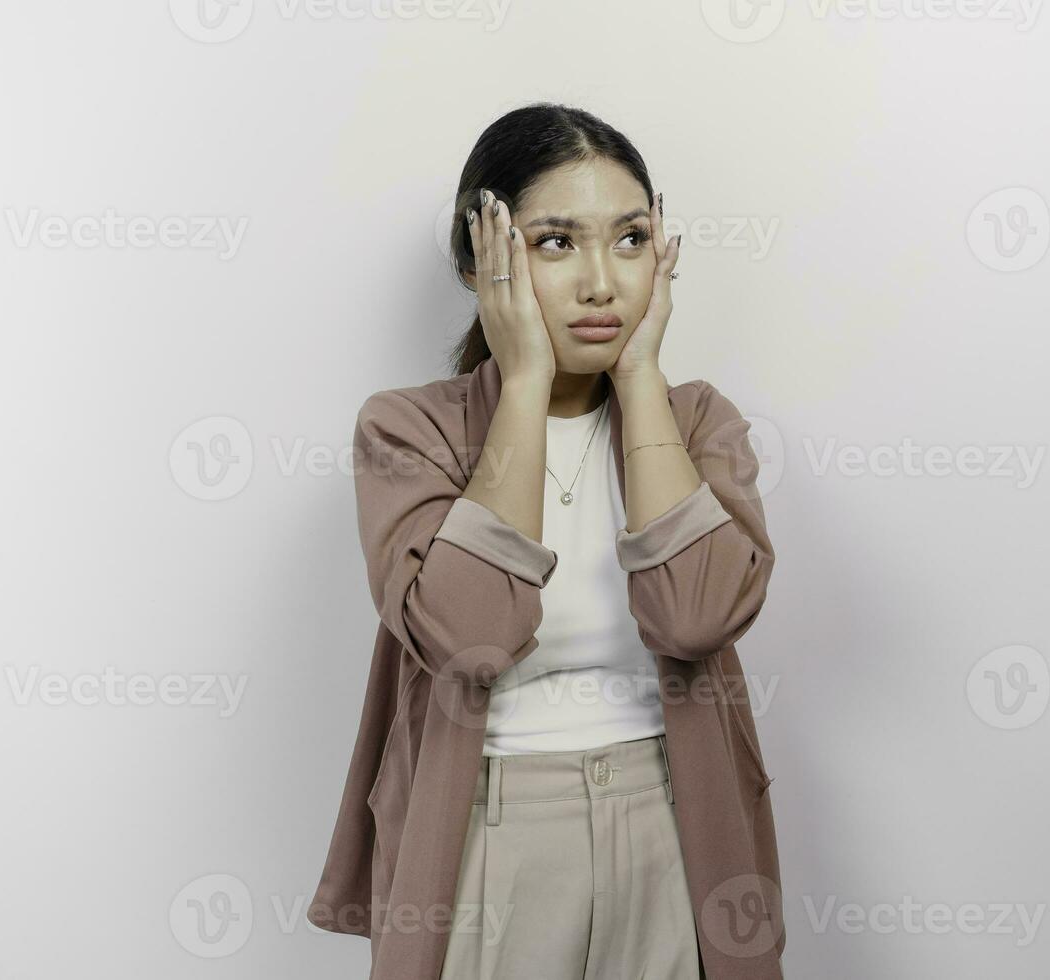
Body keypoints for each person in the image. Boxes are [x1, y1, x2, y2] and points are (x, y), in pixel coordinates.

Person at [307, 102, 786, 980]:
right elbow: (471, 637)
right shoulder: (408, 431)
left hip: (674, 820)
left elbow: (695, 619)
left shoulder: (700, 425)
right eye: (556, 242)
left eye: (631, 239)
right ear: (477, 259)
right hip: (484, 837)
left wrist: (640, 376)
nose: (603, 283)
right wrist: (523, 379)